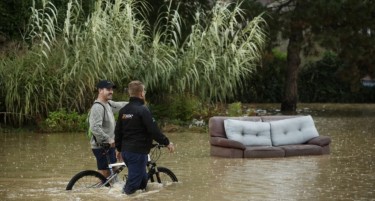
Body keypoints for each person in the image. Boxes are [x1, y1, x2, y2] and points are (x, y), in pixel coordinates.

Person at [115, 80, 175, 195]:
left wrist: (118, 149)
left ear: (129, 93)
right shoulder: (143, 109)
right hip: (137, 153)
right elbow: (153, 130)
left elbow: (118, 132)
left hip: (127, 152)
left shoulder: (124, 110)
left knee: (142, 183)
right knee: (131, 188)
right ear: (142, 93)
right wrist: (167, 142)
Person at [89, 80, 128, 178]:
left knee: (113, 174)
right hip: (101, 146)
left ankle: (108, 192)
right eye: (108, 89)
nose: (111, 91)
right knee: (105, 175)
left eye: (112, 89)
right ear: (100, 90)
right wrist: (108, 139)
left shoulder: (109, 104)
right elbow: (94, 127)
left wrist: (136, 103)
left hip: (109, 146)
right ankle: (96, 193)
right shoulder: (98, 107)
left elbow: (122, 105)